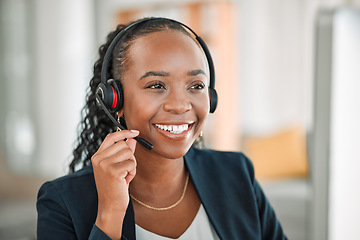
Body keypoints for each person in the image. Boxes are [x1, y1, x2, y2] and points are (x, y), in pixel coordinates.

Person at [36, 17, 287, 240]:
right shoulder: (61, 201)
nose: (179, 105)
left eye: (196, 85)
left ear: (210, 98)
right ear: (116, 100)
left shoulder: (237, 172)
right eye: (156, 85)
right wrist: (110, 214)